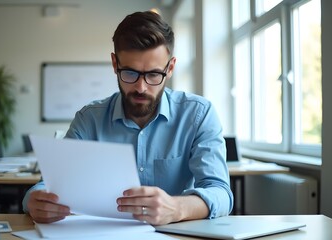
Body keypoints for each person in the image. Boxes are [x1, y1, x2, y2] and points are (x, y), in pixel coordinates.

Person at [22, 11, 233, 225]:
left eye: (153, 74)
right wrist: (35, 201)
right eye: (130, 73)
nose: (140, 88)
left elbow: (221, 193)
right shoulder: (90, 119)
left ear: (170, 68)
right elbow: (49, 186)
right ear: (115, 64)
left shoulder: (198, 115)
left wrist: (177, 208)